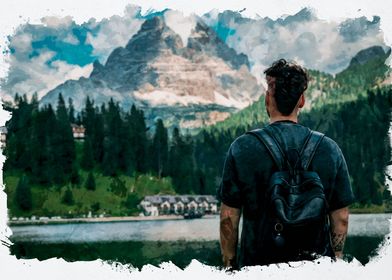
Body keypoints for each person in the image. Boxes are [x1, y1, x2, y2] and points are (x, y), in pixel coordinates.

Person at [218, 59, 355, 269]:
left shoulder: (242, 148)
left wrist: (230, 266)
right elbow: (341, 218)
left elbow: (228, 218)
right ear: (301, 100)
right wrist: (334, 262)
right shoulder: (329, 149)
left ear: (267, 98)